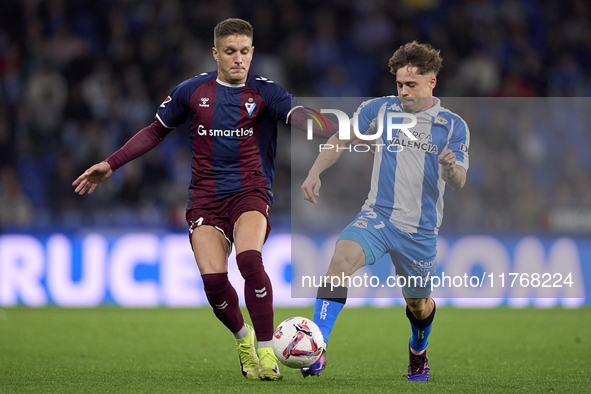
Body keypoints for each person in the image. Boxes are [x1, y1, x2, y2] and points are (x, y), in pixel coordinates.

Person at [73, 18, 332, 381]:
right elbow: (154, 132)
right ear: (215, 53)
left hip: (250, 193)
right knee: (213, 282)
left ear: (252, 52)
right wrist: (110, 164)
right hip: (205, 199)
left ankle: (268, 351)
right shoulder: (192, 92)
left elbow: (302, 117)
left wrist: (343, 130)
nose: (238, 59)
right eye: (230, 52)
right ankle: (244, 342)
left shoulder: (265, 92)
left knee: (249, 259)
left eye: (244, 51)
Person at [300, 41, 470, 381]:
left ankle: (418, 350)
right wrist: (315, 171)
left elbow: (460, 181)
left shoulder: (453, 125)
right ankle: (316, 349)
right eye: (399, 85)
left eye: (411, 85)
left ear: (431, 82)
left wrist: (450, 167)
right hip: (378, 215)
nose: (403, 92)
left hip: (420, 230)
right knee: (341, 258)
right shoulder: (380, 109)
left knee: (418, 305)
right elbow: (340, 138)